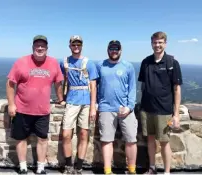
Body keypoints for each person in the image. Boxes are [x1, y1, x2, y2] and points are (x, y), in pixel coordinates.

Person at [6, 35, 64, 174]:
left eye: (42, 46)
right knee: (21, 139)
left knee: (42, 139)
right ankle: (23, 167)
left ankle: (40, 168)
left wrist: (61, 98)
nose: (39, 48)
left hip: (43, 111)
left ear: (47, 48)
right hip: (21, 109)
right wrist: (11, 104)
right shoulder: (21, 62)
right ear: (33, 48)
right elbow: (10, 83)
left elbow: (58, 83)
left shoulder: (53, 63)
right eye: (37, 45)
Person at [138, 31, 183, 174]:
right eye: (154, 42)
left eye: (160, 42)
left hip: (164, 110)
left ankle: (167, 172)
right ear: (151, 43)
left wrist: (176, 114)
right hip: (147, 109)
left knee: (164, 142)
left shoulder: (172, 63)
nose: (157, 45)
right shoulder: (146, 62)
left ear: (165, 43)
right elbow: (143, 85)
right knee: (150, 140)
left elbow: (177, 89)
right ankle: (152, 168)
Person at [96, 40, 138, 174]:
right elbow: (94, 86)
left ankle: (132, 170)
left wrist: (130, 106)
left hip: (125, 108)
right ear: (107, 50)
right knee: (106, 140)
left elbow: (132, 88)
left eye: (116, 49)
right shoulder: (100, 65)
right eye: (112, 48)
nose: (114, 51)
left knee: (131, 139)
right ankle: (108, 171)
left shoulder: (128, 66)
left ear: (121, 50)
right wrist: (96, 104)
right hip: (106, 108)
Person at [60, 35, 99, 174]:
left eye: (78, 44)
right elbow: (61, 81)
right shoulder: (64, 62)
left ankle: (79, 167)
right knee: (66, 134)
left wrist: (93, 107)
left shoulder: (89, 63)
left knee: (83, 134)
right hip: (71, 100)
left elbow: (93, 86)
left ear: (81, 46)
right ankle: (68, 164)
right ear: (69, 45)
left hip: (86, 102)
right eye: (73, 44)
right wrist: (61, 98)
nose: (76, 47)